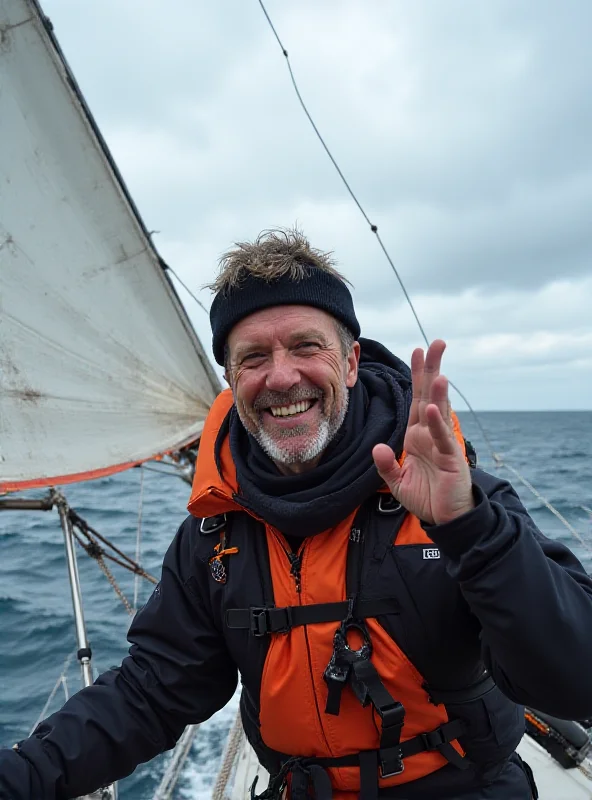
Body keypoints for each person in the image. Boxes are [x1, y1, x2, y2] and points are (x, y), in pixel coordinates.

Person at [2, 228, 592, 800]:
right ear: (231, 380)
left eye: (306, 347)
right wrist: (22, 776)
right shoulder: (213, 533)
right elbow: (152, 692)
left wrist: (469, 528)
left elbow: (575, 679)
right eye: (253, 357)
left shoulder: (453, 497)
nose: (282, 377)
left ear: (352, 361)